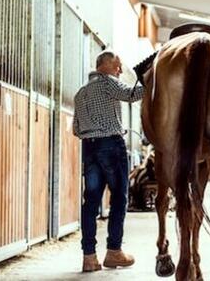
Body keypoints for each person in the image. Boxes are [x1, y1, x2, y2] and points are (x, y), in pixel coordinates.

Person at [73, 50, 144, 273]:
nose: (120, 71)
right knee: (120, 197)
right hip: (110, 146)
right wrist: (154, 81)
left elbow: (76, 128)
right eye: (118, 66)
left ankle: (89, 257)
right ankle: (114, 251)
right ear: (104, 66)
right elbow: (133, 95)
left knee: (91, 202)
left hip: (89, 147)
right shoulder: (107, 83)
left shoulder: (80, 93)